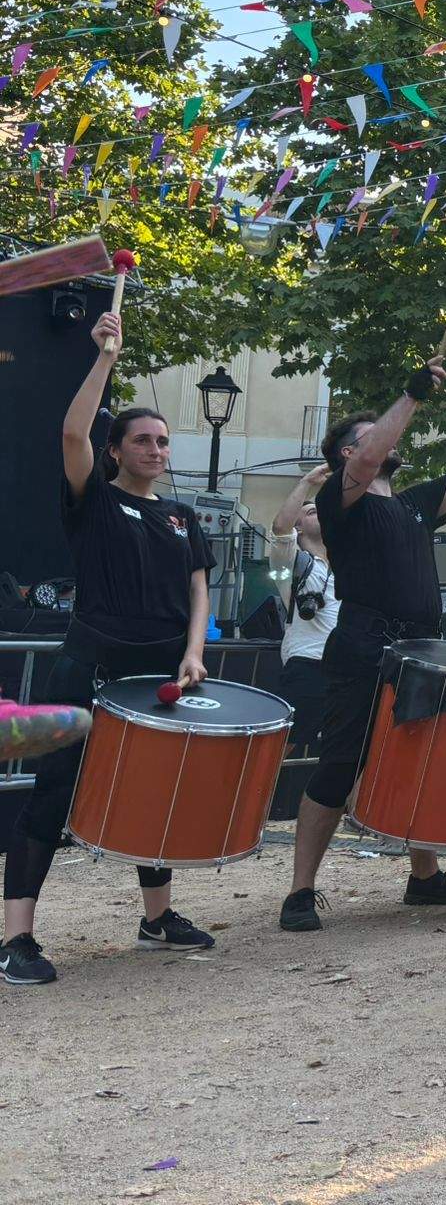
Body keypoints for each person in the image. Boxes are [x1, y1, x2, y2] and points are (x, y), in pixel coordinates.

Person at [3, 309, 216, 986]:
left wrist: (193, 653)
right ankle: (16, 940)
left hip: (157, 672)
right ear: (116, 450)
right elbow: (71, 430)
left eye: (162, 440)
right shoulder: (92, 501)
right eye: (143, 440)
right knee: (52, 794)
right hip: (89, 666)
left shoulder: (181, 518)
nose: (156, 449)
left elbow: (199, 588)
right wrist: (105, 357)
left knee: (154, 795)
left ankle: (157, 920)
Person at [278, 359, 446, 933]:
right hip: (362, 645)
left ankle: (424, 877)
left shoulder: (412, 504)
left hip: (420, 650)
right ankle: (300, 891)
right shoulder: (341, 503)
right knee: (339, 764)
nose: (380, 443)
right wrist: (411, 395)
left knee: (417, 760)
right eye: (364, 439)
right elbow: (370, 455)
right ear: (345, 459)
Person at [266, 463, 339, 822]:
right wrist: (309, 482)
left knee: (352, 749)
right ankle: (244, 805)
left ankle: (359, 819)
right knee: (283, 743)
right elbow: (279, 529)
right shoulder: (291, 564)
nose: (319, 512)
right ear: (299, 525)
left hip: (346, 669)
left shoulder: (347, 563)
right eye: (310, 510)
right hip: (308, 665)